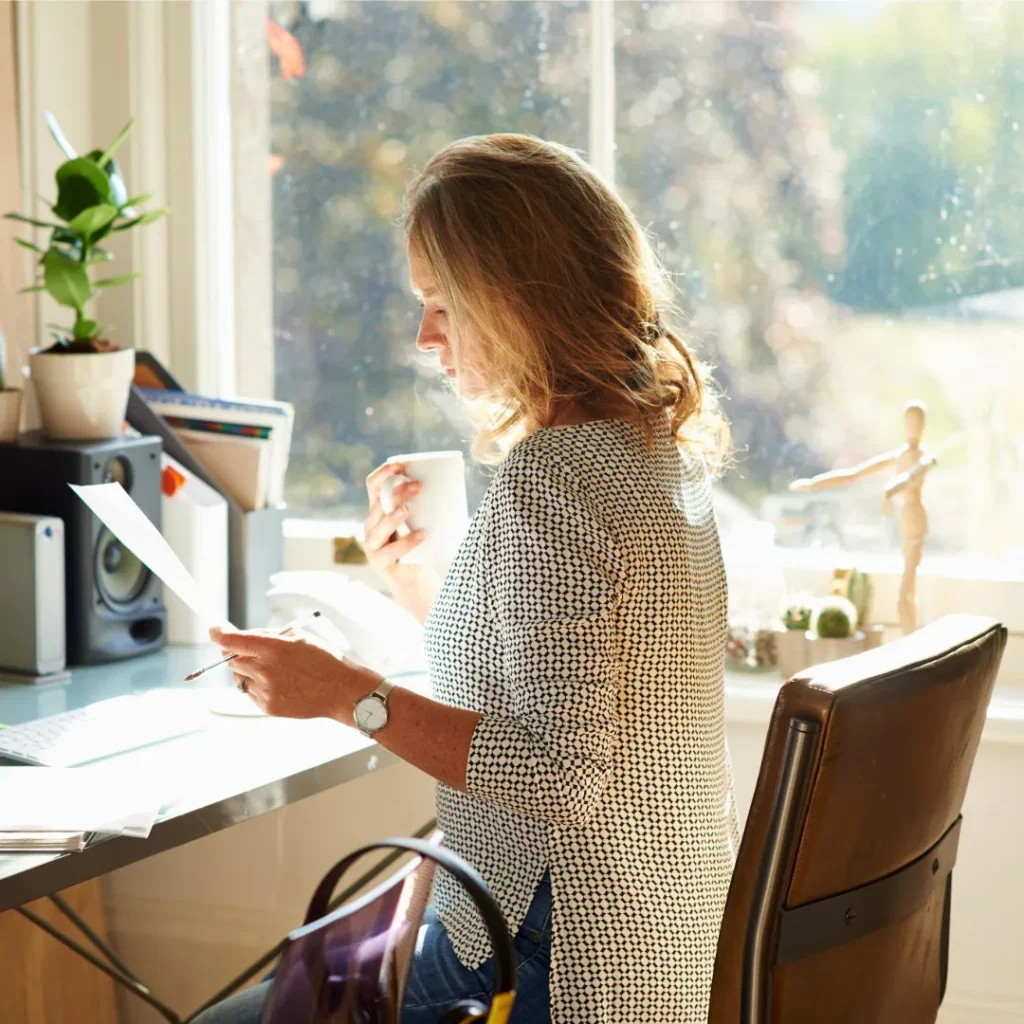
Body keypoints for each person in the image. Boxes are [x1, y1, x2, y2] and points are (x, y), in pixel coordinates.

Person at [194, 134, 738, 1024]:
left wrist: (346, 694)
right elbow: (578, 677)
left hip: (559, 951)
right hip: (661, 939)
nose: (423, 336)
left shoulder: (550, 481)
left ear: (520, 298)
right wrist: (424, 585)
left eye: (442, 305)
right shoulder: (654, 455)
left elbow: (557, 771)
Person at [791, 400, 936, 633]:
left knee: (904, 594)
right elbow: (855, 474)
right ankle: (912, 640)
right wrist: (813, 484)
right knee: (907, 593)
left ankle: (913, 641)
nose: (913, 427)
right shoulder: (898, 455)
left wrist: (889, 491)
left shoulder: (926, 457)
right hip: (904, 519)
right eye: (910, 421)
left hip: (915, 518)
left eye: (918, 422)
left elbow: (911, 476)